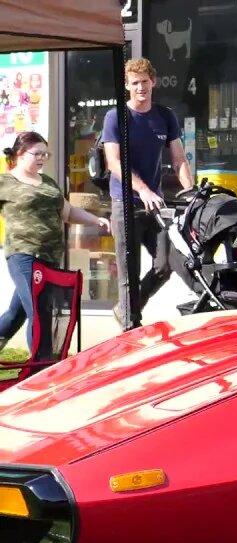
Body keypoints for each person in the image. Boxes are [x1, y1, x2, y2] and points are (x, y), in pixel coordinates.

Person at [102, 57, 194, 329]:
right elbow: (114, 162)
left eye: (144, 81)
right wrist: (142, 188)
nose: (140, 87)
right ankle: (131, 326)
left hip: (154, 204)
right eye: (134, 83)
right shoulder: (116, 116)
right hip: (125, 202)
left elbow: (179, 160)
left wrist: (190, 192)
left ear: (153, 82)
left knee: (165, 264)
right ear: (127, 86)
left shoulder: (165, 116)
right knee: (129, 271)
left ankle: (127, 308)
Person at [0, 132, 109, 360]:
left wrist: (95, 220)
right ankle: (43, 368)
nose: (42, 158)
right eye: (37, 154)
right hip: (23, 255)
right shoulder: (5, 182)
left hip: (49, 257)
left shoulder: (47, 182)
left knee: (16, 314)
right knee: (40, 314)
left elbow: (67, 213)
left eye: (45, 154)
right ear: (20, 153)